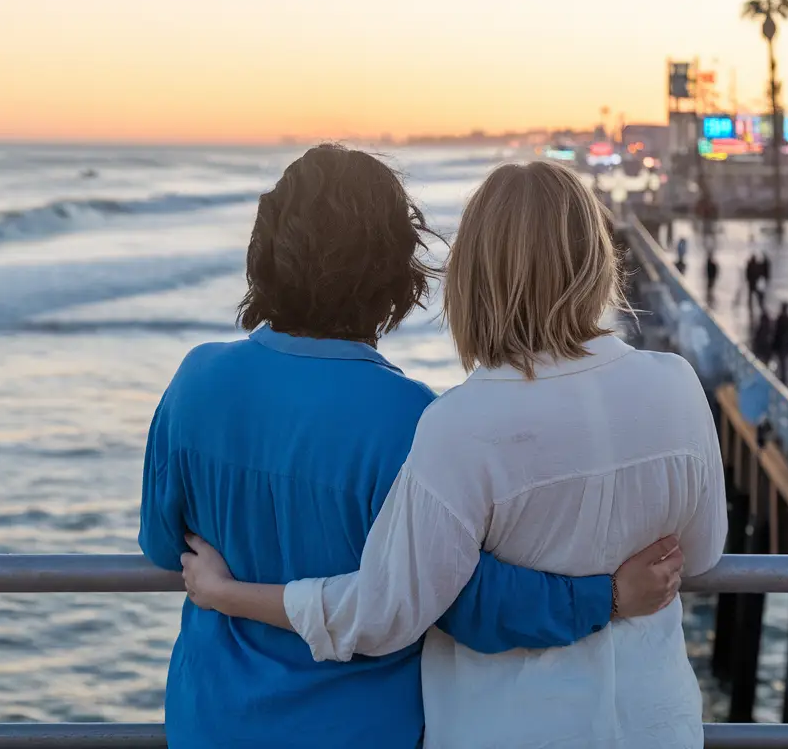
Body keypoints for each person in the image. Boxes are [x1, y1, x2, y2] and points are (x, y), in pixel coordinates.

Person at [139, 147, 683, 749]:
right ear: (398, 274)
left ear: (265, 252)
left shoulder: (195, 382)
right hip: (362, 729)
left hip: (209, 720)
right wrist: (607, 596)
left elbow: (163, 545)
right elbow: (467, 603)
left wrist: (229, 582)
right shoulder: (413, 420)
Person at [772, 303, 788, 384]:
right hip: (783, 345)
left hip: (782, 345)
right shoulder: (786, 320)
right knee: (782, 362)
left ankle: (783, 377)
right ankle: (783, 377)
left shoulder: (781, 319)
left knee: (782, 362)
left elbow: (777, 333)